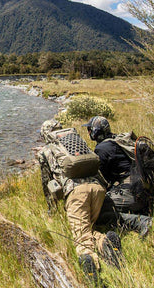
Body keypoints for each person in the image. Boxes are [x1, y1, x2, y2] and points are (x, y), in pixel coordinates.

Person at [37, 119, 122, 282]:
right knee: (87, 228)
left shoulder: (46, 151)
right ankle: (105, 243)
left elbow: (46, 182)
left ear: (45, 134)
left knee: (81, 239)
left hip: (75, 193)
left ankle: (94, 278)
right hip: (98, 189)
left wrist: (51, 209)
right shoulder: (75, 142)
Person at [83, 116, 153, 237]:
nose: (88, 132)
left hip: (131, 192)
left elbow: (100, 180)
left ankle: (141, 222)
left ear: (96, 131)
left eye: (89, 129)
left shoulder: (102, 149)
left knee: (98, 212)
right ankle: (141, 211)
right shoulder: (118, 140)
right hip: (145, 190)